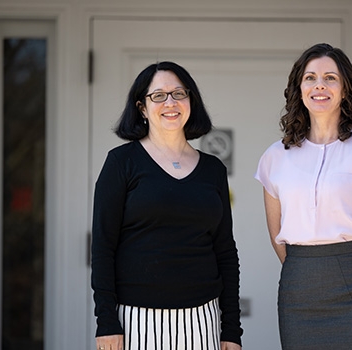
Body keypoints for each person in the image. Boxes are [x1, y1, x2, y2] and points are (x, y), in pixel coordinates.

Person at [254, 43, 352, 349]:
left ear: (345, 89)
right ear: (299, 88)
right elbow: (276, 234)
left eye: (330, 78)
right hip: (298, 291)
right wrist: (305, 269)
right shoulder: (275, 157)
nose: (319, 84)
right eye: (310, 77)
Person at [91, 61, 243, 350]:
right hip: (136, 320)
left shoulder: (213, 170)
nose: (170, 102)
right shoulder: (121, 163)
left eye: (179, 93)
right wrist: (106, 321)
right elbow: (102, 248)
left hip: (203, 319)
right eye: (158, 95)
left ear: (190, 101)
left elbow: (225, 252)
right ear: (142, 108)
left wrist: (231, 330)